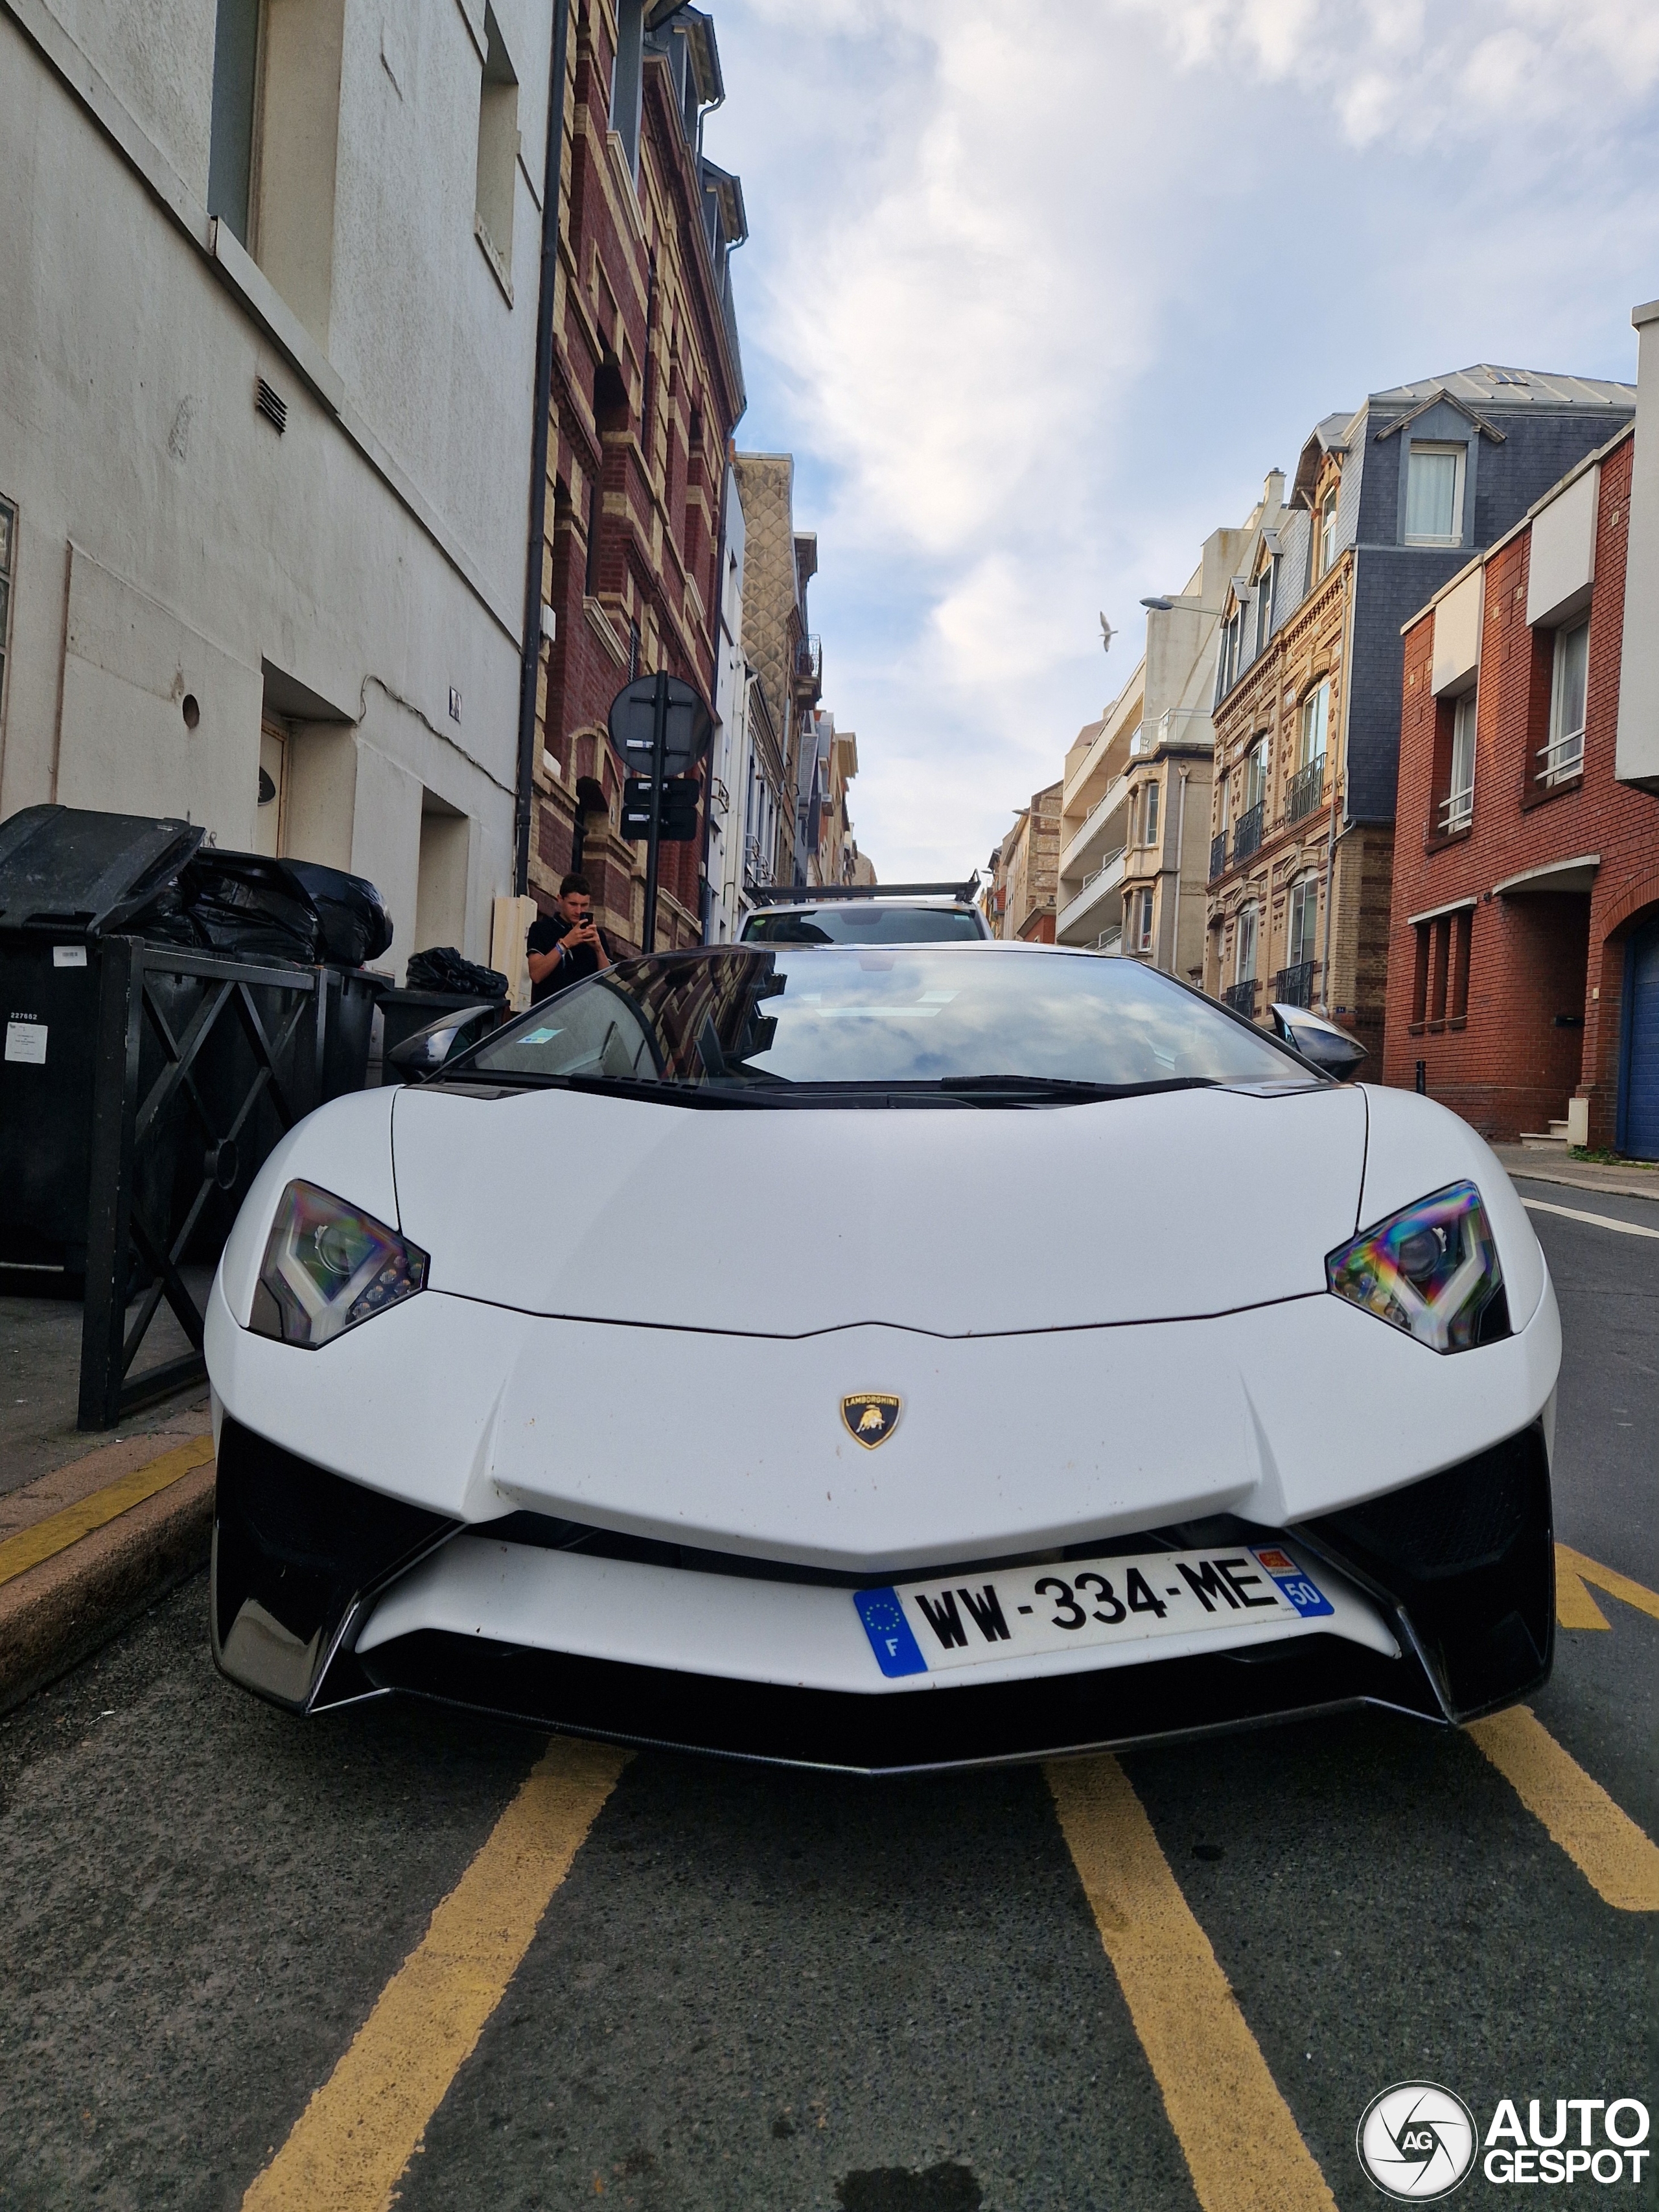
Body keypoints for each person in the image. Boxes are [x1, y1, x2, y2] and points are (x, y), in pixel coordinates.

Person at [527, 873, 612, 1003]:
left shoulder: (597, 935)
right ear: (560, 899)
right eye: (573, 904)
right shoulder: (541, 929)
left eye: (584, 905)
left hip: (586, 1014)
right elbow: (536, 975)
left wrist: (599, 950)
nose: (578, 911)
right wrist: (564, 944)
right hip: (549, 1014)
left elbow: (610, 984)